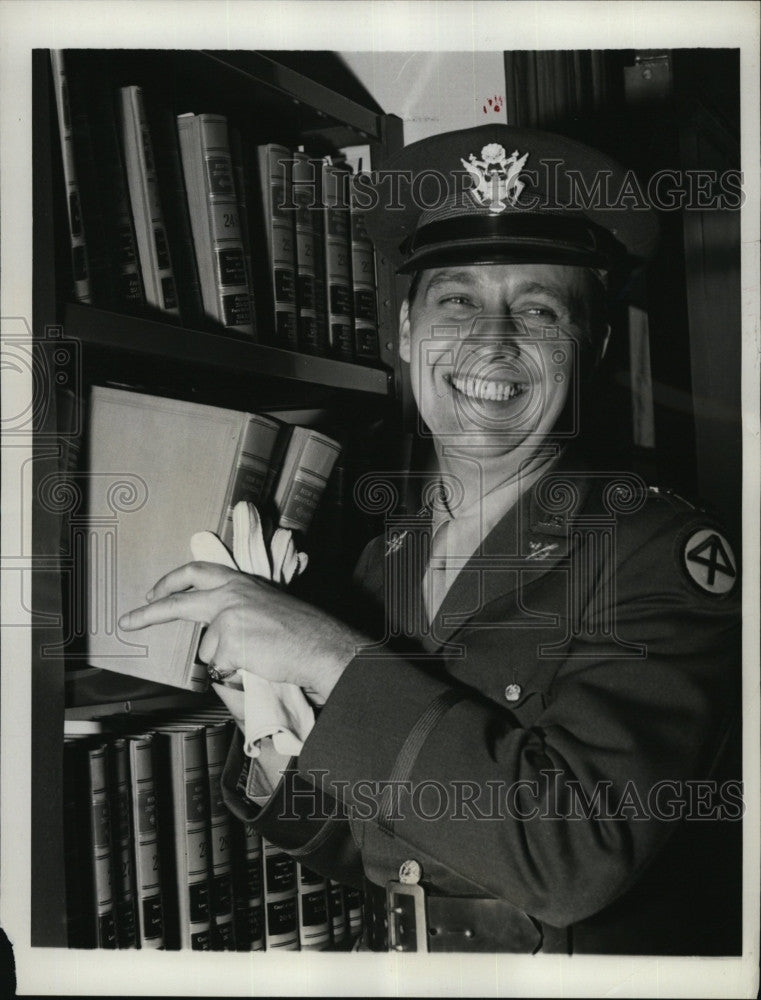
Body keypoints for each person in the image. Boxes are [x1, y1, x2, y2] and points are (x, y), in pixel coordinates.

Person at [119, 125, 741, 955]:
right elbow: (386, 847)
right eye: (458, 300)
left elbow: (573, 858)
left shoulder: (659, 552)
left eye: (537, 307)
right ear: (407, 333)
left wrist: (325, 658)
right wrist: (272, 728)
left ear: (588, 350)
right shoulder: (389, 552)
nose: (491, 338)